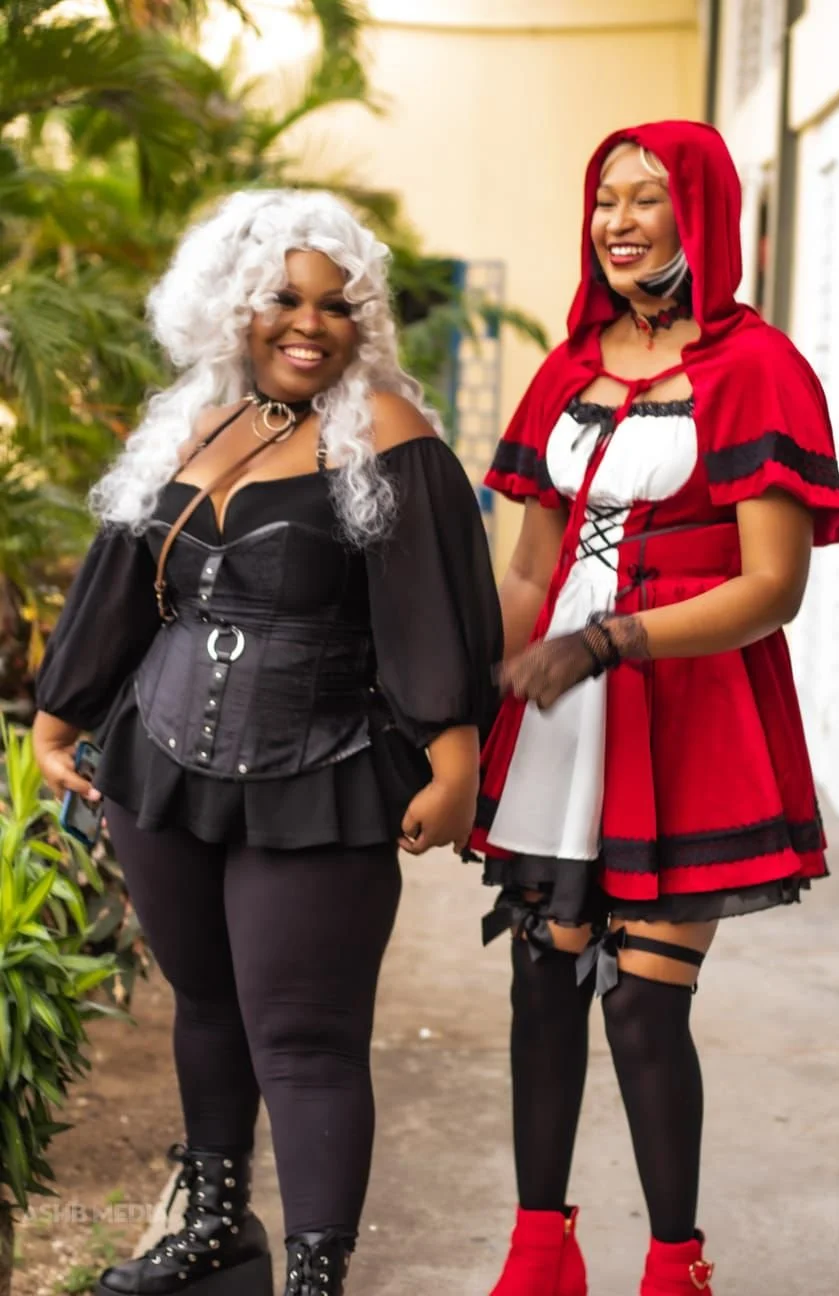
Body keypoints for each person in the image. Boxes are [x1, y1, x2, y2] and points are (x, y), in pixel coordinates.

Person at [33, 189, 502, 1296]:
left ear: (363, 321)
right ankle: (214, 1229)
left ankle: (315, 1276)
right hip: (163, 766)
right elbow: (126, 585)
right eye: (284, 300)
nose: (310, 323)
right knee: (205, 1004)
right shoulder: (198, 422)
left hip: (323, 765)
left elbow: (434, 606)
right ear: (234, 308)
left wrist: (454, 754)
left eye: (337, 306)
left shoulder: (390, 434)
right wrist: (61, 716)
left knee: (306, 1037)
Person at [470, 120, 839, 1296]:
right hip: (560, 721)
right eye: (604, 201)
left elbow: (770, 590)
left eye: (646, 198)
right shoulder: (566, 369)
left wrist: (611, 640)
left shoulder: (759, 368)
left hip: (689, 716)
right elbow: (530, 569)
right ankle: (542, 1255)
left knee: (639, 1003)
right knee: (544, 981)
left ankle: (673, 1266)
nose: (619, 223)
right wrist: (467, 695)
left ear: (702, 210)